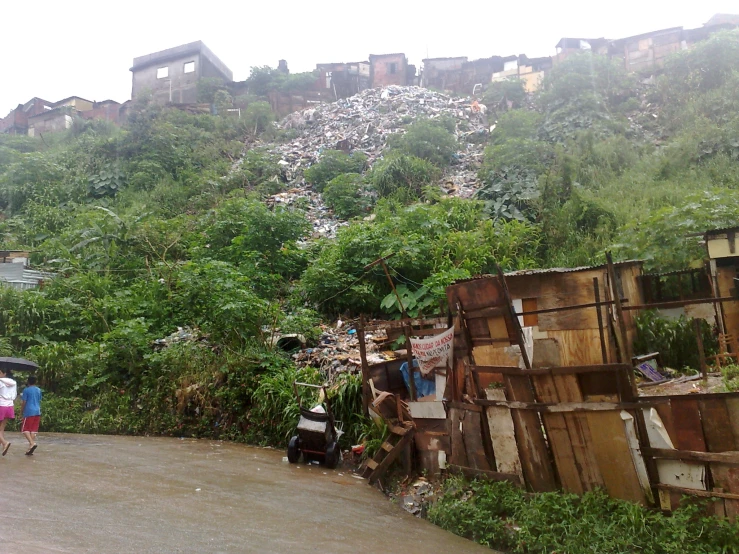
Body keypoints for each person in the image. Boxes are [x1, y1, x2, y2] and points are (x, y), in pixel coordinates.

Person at [21, 375, 41, 455]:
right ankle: (30, 447)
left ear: (28, 382)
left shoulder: (26, 390)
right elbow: (39, 400)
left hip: (29, 411)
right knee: (33, 430)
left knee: (25, 429)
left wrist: (21, 412)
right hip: (37, 411)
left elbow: (24, 402)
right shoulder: (39, 390)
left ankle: (32, 443)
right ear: (35, 382)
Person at [0, 368, 17, 456]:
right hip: (10, 406)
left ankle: (4, 443)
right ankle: (3, 446)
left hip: (1, 405)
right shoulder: (14, 383)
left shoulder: (0, 382)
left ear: (4, 373)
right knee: (1, 428)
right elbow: (14, 395)